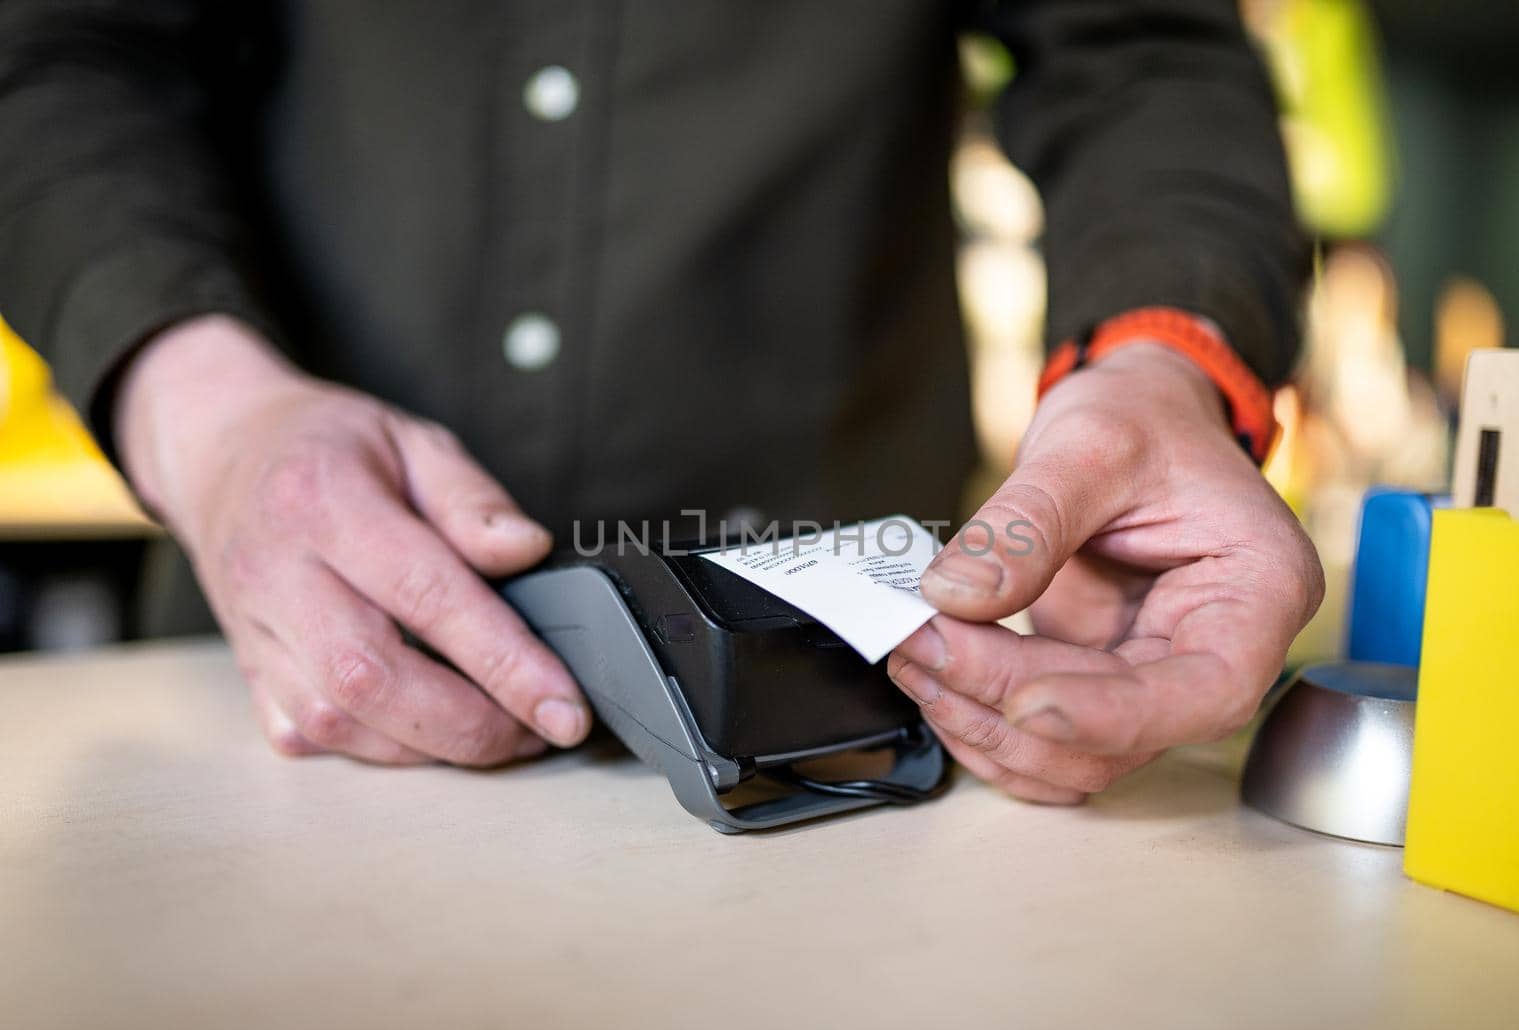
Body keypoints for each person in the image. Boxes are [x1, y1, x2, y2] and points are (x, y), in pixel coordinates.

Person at [0, 1, 1320, 799]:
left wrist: (1163, 363)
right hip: (287, 688)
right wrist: (211, 415)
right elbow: (59, 56)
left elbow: (1144, 48)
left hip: (836, 732)